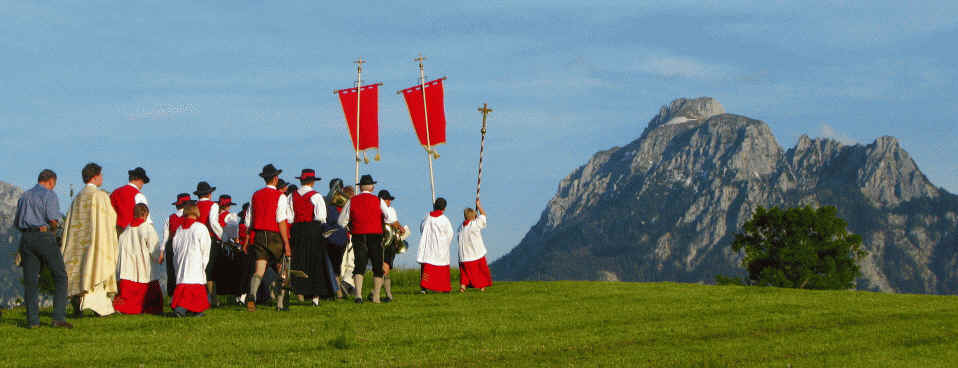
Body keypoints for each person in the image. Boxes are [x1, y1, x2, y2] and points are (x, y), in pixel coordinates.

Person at [15, 169, 72, 328]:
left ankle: (33, 321)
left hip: (26, 238)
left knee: (31, 281)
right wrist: (55, 231)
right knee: (60, 275)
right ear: (51, 181)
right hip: (44, 236)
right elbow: (53, 219)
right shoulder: (49, 195)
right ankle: (58, 318)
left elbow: (17, 222)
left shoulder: (24, 196)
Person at [61, 162, 118, 317]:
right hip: (96, 242)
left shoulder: (77, 198)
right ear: (95, 177)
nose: (102, 178)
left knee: (81, 271)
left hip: (78, 245)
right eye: (101, 175)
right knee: (95, 270)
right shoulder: (99, 196)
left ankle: (78, 303)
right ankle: (98, 307)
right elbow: (109, 219)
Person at [337, 174, 398, 304]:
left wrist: (350, 224)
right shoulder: (378, 200)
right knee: (377, 265)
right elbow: (389, 217)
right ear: (372, 187)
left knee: (359, 264)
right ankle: (376, 296)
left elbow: (341, 221)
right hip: (375, 235)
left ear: (360, 188)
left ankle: (358, 295)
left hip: (358, 234)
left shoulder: (352, 200)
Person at [244, 164, 293, 312]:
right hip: (274, 236)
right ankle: (280, 303)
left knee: (259, 270)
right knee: (281, 268)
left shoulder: (255, 195)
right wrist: (286, 243)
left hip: (258, 235)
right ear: (276, 178)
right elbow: (281, 221)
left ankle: (252, 295)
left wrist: (247, 240)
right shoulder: (280, 196)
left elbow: (249, 221)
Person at [290, 169, 336, 306]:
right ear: (312, 182)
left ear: (301, 180)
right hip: (313, 229)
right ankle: (315, 296)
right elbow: (321, 217)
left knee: (299, 261)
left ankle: (299, 292)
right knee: (316, 263)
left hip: (297, 230)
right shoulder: (316, 196)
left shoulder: (291, 196)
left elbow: (290, 217)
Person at [112, 204, 163, 314]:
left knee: (127, 295)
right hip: (144, 267)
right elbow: (154, 249)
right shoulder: (147, 228)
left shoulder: (125, 231)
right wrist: (158, 257)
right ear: (145, 214)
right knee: (150, 294)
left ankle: (121, 308)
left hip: (128, 269)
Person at [170, 203, 211, 317]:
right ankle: (182, 309)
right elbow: (205, 248)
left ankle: (192, 310)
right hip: (195, 262)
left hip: (182, 261)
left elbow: (175, 248)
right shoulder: (200, 227)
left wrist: (177, 264)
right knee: (195, 287)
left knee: (184, 285)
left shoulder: (179, 229)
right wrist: (203, 264)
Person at [416, 197, 453, 293]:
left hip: (429, 248)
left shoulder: (427, 218)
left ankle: (424, 288)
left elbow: (422, 229)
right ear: (444, 208)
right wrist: (445, 243)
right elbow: (450, 233)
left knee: (427, 267)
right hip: (440, 248)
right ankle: (444, 288)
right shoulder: (445, 220)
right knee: (441, 267)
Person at [193, 181, 221, 306]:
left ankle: (200, 296)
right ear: (209, 194)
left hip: (194, 239)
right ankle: (211, 298)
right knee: (210, 269)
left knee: (198, 267)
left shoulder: (193, 205)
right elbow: (213, 223)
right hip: (209, 238)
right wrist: (223, 237)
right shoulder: (213, 206)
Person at [376, 189, 406, 303]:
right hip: (383, 239)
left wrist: (401, 228)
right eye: (387, 200)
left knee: (387, 267)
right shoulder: (379, 210)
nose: (389, 202)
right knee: (385, 266)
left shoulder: (392, 210)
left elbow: (395, 221)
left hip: (392, 240)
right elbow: (389, 221)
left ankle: (381, 293)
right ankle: (385, 294)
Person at [158, 193, 190, 297]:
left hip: (171, 245)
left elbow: (165, 237)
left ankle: (173, 295)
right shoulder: (190, 218)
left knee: (171, 271)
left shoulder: (170, 218)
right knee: (185, 269)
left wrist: (162, 252)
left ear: (177, 205)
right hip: (185, 244)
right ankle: (185, 294)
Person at [457, 201, 492, 292]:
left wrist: (475, 217)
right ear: (474, 217)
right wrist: (479, 206)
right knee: (481, 271)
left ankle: (462, 287)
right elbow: (483, 215)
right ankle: (482, 287)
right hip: (475, 254)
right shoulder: (474, 225)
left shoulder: (461, 227)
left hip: (463, 257)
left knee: (464, 274)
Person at [324, 179, 350, 298]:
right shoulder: (346, 202)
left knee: (333, 265)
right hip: (341, 237)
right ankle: (337, 291)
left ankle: (337, 291)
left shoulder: (327, 202)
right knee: (336, 266)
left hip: (331, 237)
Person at [109, 167, 151, 235]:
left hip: (114, 232)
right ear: (140, 180)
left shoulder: (115, 193)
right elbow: (146, 220)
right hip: (132, 233)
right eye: (143, 181)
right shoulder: (139, 195)